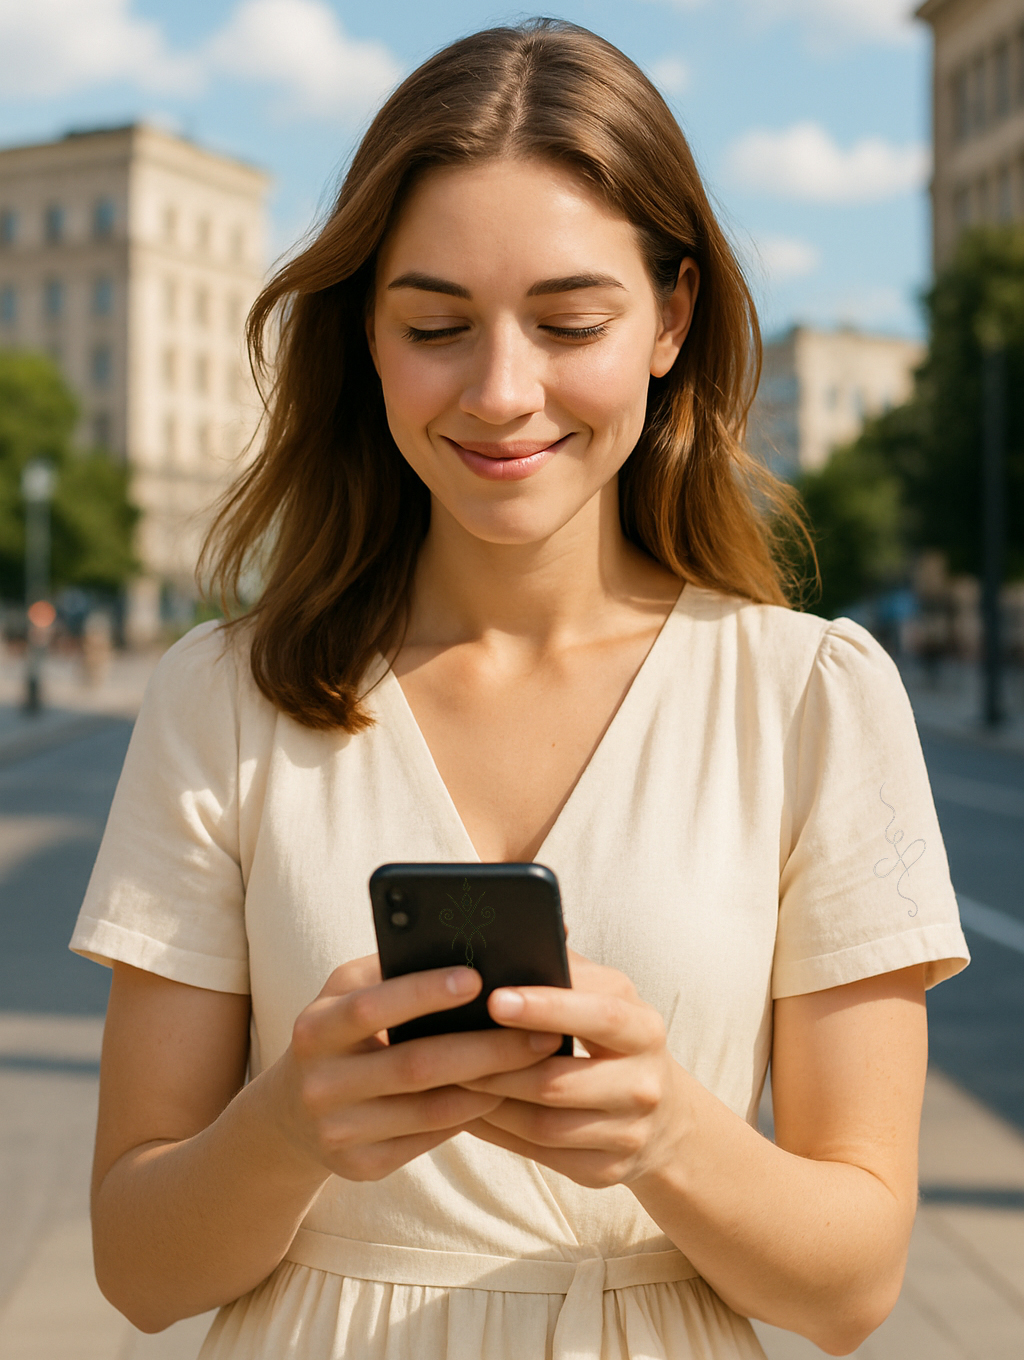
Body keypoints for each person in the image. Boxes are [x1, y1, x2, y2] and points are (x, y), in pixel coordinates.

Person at [71, 20, 969, 1360]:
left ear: (672, 317)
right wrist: (285, 1127)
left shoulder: (810, 697)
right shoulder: (224, 695)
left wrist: (670, 1131)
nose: (501, 392)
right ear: (364, 335)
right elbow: (139, 1272)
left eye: (570, 321)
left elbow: (851, 1289)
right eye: (435, 324)